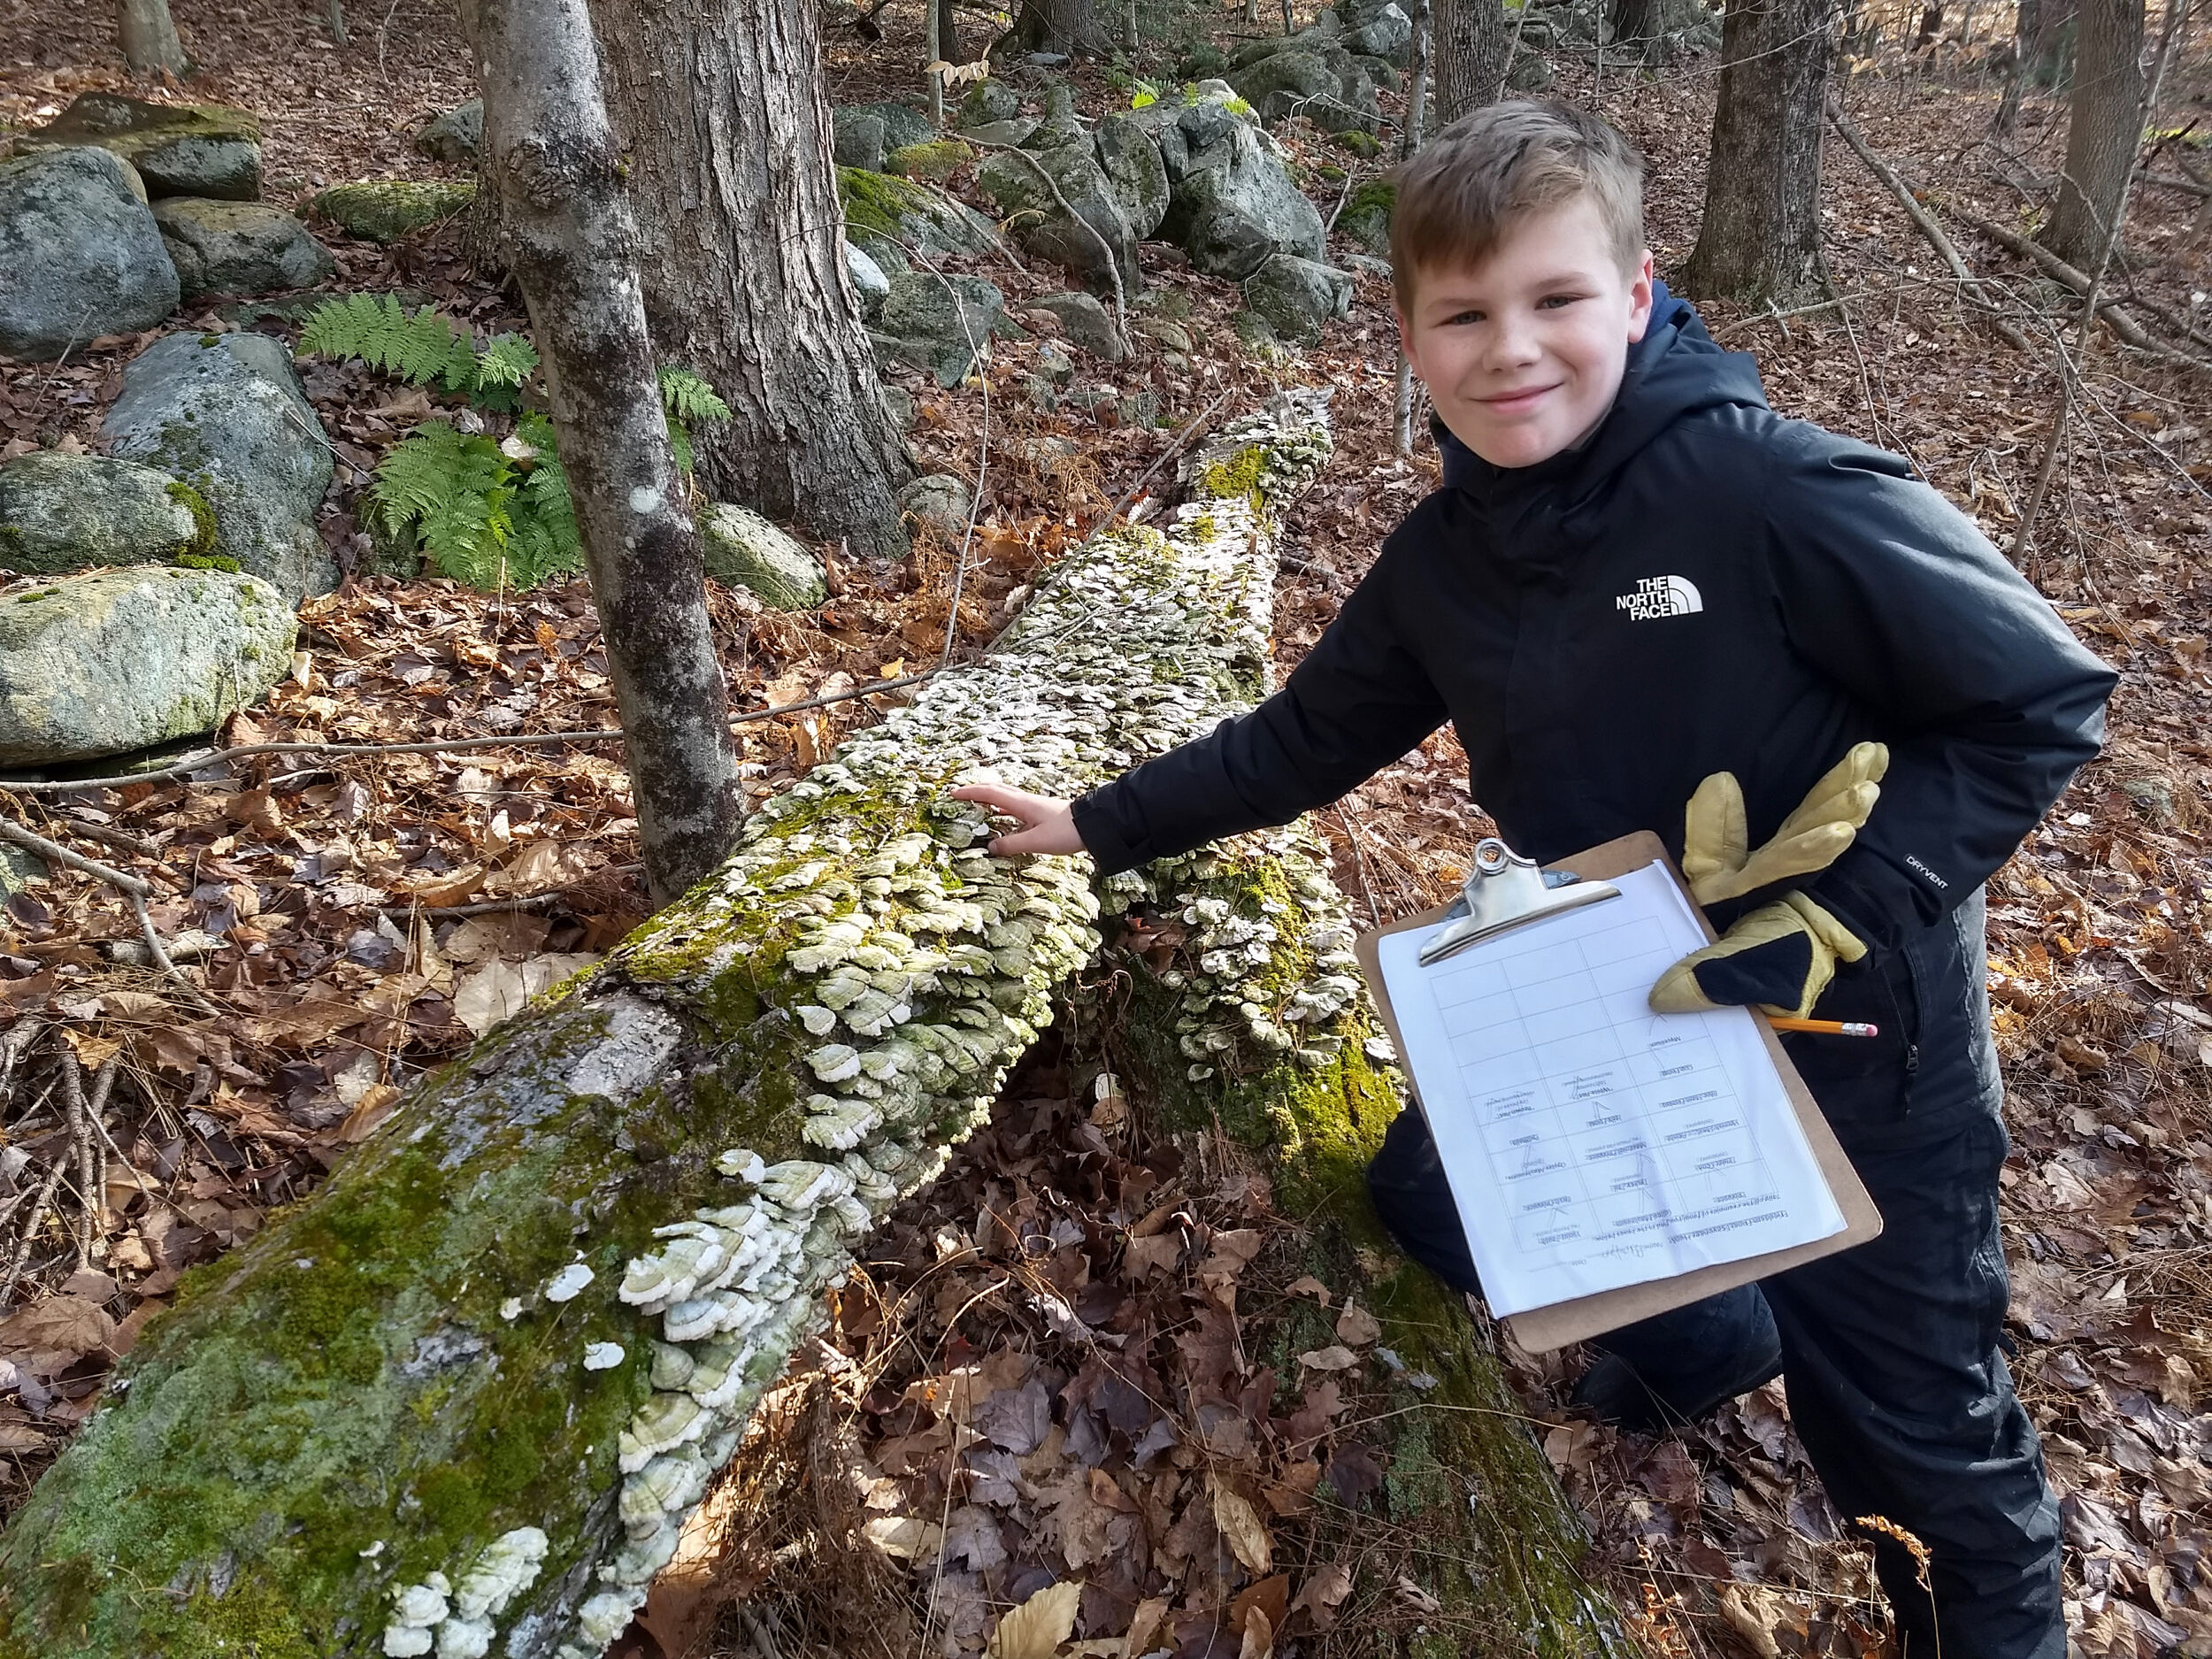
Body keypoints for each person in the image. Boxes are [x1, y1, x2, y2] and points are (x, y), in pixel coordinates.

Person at [952, 100, 2116, 1658]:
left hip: (1852, 1023)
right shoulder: (1448, 562)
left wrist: (1836, 913)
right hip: (1612, 978)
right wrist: (1094, 826)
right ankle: (1718, 1328)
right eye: (1466, 313)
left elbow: (2039, 697)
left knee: (1912, 1443)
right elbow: (1308, 738)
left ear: (1636, 299)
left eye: (1558, 300)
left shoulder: (1769, 493)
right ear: (1413, 336)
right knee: (1438, 1205)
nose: (1514, 349)